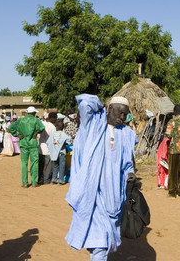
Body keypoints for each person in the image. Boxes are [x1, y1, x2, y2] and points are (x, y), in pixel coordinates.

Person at [66, 94, 139, 261]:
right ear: (110, 109)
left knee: (105, 239)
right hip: (92, 194)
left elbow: (127, 163)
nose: (123, 117)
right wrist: (100, 104)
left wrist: (130, 174)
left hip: (113, 196)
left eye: (125, 114)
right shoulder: (92, 125)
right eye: (120, 112)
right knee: (99, 245)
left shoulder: (126, 134)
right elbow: (85, 104)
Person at [8, 106, 45, 188]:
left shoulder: (21, 120)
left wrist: (17, 135)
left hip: (23, 143)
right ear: (34, 113)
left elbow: (10, 127)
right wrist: (36, 132)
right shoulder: (36, 120)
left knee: (24, 163)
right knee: (34, 162)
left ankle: (25, 183)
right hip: (33, 143)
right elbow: (42, 127)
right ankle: (34, 182)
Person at [47, 120, 72, 185]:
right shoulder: (64, 135)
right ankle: (60, 180)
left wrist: (53, 147)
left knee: (56, 166)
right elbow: (69, 141)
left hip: (55, 153)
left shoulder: (53, 134)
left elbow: (48, 142)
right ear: (63, 127)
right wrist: (64, 144)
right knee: (62, 166)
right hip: (62, 152)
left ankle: (53, 180)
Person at [39, 112, 57, 184]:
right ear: (52, 118)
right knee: (48, 166)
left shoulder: (42, 124)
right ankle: (46, 180)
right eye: (55, 118)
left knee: (40, 165)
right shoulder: (52, 127)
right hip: (48, 149)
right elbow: (54, 139)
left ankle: (39, 178)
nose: (56, 120)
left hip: (40, 147)